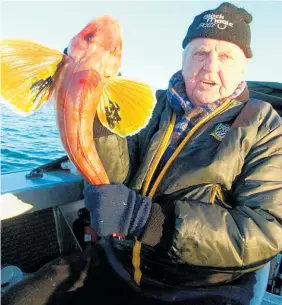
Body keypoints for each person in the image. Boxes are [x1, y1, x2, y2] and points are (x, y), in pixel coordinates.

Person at [2, 2, 281, 305]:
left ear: (244, 65)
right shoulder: (153, 107)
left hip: (196, 286)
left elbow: (265, 230)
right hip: (118, 259)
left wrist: (150, 221)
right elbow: (117, 173)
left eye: (226, 56)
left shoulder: (264, 126)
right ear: (184, 58)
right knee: (21, 298)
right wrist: (98, 101)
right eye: (200, 52)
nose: (211, 66)